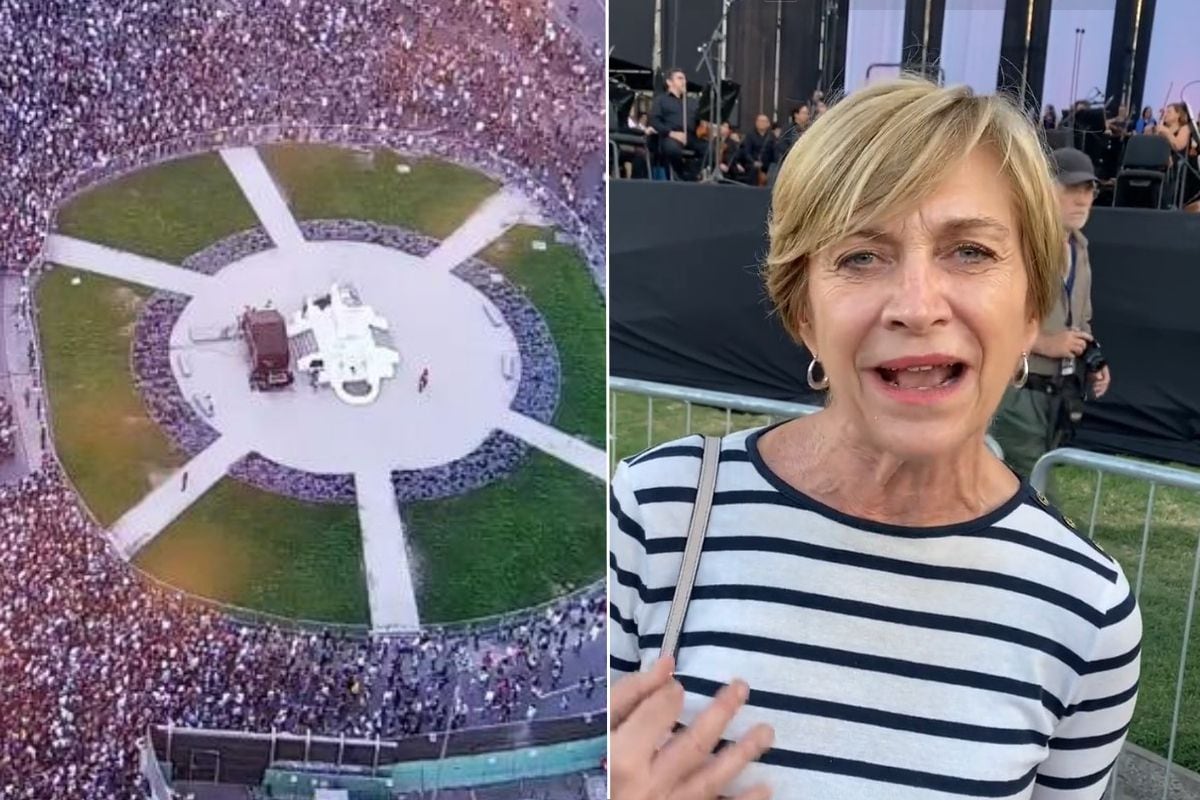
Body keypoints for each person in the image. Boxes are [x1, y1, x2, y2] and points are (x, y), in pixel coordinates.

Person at [610, 78, 1140, 799]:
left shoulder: (1086, 608)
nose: (917, 306)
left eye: (970, 252)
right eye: (861, 256)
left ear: (1028, 313)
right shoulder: (654, 515)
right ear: (803, 313)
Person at [991, 147, 1109, 480]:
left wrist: (1093, 359)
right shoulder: (1017, 245)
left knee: (1040, 474)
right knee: (1026, 485)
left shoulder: (1080, 248)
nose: (1083, 199)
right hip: (1019, 389)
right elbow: (988, 322)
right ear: (1044, 187)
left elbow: (1081, 321)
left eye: (1089, 190)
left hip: (1058, 392)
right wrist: (1044, 343)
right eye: (1072, 188)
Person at [649, 68, 702, 180]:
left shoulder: (691, 102)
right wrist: (671, 133)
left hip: (690, 136)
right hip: (670, 135)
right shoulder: (661, 100)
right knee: (672, 149)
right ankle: (682, 173)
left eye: (684, 79)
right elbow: (654, 121)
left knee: (710, 149)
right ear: (669, 82)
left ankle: (693, 173)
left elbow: (698, 121)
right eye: (680, 78)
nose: (684, 81)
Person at [1156, 102, 1200, 211]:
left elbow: (1178, 145)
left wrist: (1166, 132)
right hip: (1165, 168)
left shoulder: (1185, 128)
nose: (1165, 114)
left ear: (1178, 115)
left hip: (1181, 171)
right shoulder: (1162, 130)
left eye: (1169, 112)